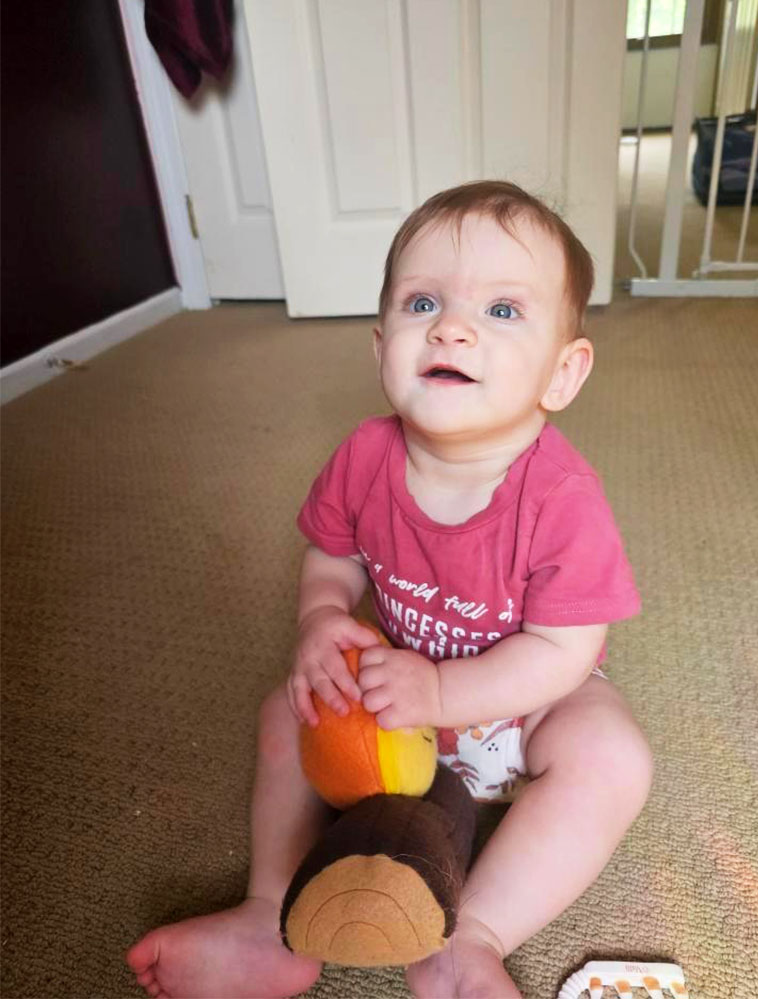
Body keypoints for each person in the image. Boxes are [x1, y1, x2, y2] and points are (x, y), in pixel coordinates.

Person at [127, 180, 653, 999]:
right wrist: (322, 617)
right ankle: (272, 918)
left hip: (520, 711)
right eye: (422, 302)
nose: (452, 326)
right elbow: (331, 555)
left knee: (612, 755)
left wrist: (445, 690)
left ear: (563, 372)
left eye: (503, 311)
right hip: (390, 709)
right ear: (381, 349)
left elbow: (564, 648)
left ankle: (470, 936)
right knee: (283, 708)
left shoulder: (562, 498)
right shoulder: (365, 457)